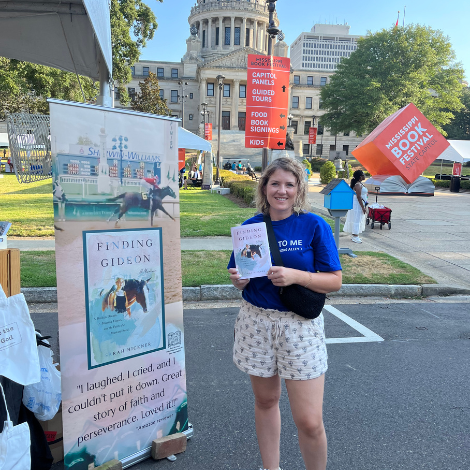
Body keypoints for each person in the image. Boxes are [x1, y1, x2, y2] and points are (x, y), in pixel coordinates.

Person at [227, 157, 342, 470]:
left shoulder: (313, 225)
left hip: (299, 327)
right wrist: (239, 280)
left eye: (289, 184)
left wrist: (297, 276)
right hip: (256, 322)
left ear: (298, 189)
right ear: (264, 187)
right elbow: (238, 278)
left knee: (309, 420)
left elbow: (334, 281)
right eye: (275, 183)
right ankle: (271, 467)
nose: (282, 190)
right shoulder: (250, 228)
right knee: (265, 401)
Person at [343, 169, 368, 243]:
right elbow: (358, 196)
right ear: (360, 177)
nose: (364, 176)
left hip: (361, 203)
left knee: (359, 218)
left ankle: (356, 234)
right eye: (363, 175)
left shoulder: (360, 184)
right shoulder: (357, 185)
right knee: (356, 219)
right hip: (357, 205)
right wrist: (363, 207)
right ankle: (355, 236)